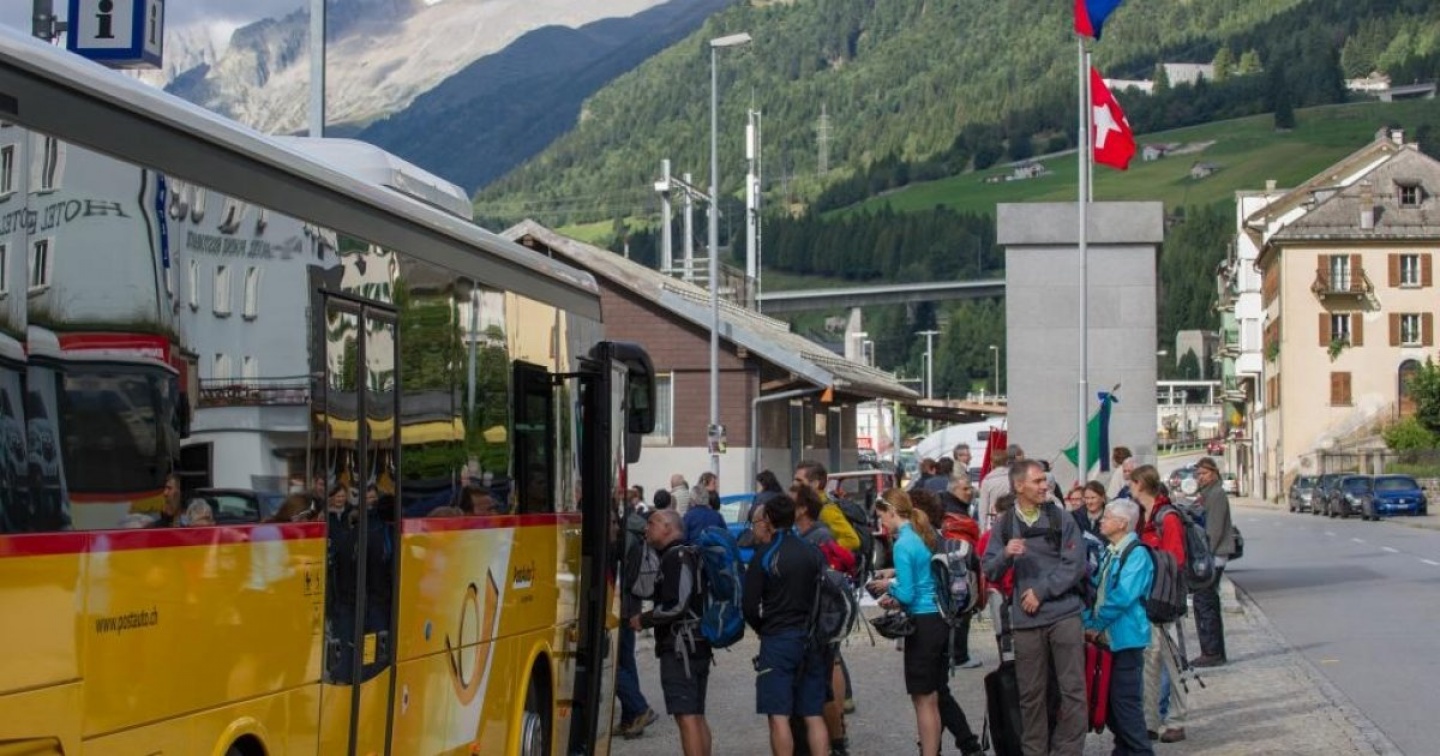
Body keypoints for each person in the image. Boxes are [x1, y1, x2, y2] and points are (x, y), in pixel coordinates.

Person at [980, 459, 1087, 756]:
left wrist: (1041, 591)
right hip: (1026, 622)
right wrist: (1005, 554)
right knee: (1030, 695)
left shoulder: (1061, 518)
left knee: (1073, 691)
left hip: (1064, 614)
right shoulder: (1005, 524)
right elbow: (989, 569)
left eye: (1044, 480)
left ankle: (1067, 751)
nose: (1045, 485)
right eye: (1038, 481)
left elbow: (1075, 565)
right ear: (1019, 485)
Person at [744, 497, 831, 756]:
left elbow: (749, 606)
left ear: (768, 520)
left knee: (778, 714)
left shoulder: (765, 554)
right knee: (813, 714)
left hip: (778, 638)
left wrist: (762, 628)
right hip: (811, 637)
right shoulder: (812, 551)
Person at [867, 490, 948, 756]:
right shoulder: (921, 534)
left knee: (922, 700)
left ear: (892, 512)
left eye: (882, 517)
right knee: (933, 697)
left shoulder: (902, 543)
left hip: (921, 622)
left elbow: (907, 593)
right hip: (937, 617)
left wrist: (889, 590)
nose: (882, 524)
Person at [905, 490, 985, 755]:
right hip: (947, 619)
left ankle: (962, 745)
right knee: (938, 690)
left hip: (929, 620)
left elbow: (917, 583)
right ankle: (963, 745)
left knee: (931, 693)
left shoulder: (921, 540)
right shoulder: (939, 537)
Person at [1083, 498, 1155, 756]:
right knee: (1111, 705)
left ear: (1122, 523)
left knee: (1125, 705)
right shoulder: (1110, 551)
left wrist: (1095, 624)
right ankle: (1124, 750)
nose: (1102, 521)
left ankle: (1140, 751)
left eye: (1107, 517)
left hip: (1126, 640)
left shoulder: (1137, 554)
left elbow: (1122, 596)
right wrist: (1086, 620)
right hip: (1108, 639)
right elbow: (1095, 590)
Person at [636, 508, 712, 756]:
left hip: (681, 648)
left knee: (686, 717)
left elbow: (677, 605)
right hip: (697, 642)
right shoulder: (689, 554)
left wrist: (644, 619)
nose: (646, 528)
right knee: (696, 715)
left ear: (668, 527)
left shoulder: (675, 557)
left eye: (652, 523)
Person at [792, 483, 854, 751]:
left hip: (820, 620)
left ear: (803, 509)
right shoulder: (810, 535)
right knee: (825, 679)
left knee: (824, 681)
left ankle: (836, 737)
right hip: (821, 618)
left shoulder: (817, 537)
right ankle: (836, 735)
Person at [1131, 464, 1189, 743]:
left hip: (1165, 599)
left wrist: (1150, 565)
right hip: (1146, 598)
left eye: (1131, 483)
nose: (1129, 488)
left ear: (1141, 484)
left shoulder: (1167, 517)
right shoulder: (1143, 516)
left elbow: (1176, 559)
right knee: (1150, 660)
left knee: (1172, 661)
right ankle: (1150, 721)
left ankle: (1177, 719)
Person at [617, 494, 658, 739]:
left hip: (619, 607)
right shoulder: (635, 530)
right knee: (626, 661)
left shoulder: (623, 534)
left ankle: (640, 709)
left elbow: (620, 575)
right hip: (631, 604)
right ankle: (630, 718)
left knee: (614, 665)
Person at [1190, 456, 1235, 668]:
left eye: (1205, 473)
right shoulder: (1207, 493)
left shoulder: (1216, 494)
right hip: (1212, 554)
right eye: (1198, 474)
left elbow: (1214, 529)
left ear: (1214, 474)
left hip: (1213, 555)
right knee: (1206, 601)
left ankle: (1212, 651)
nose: (1201, 477)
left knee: (1205, 601)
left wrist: (1205, 554)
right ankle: (1212, 650)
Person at [794, 460, 860, 553]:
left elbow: (852, 540)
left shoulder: (827, 509)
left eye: (799, 481)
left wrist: (823, 551)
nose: (794, 484)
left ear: (815, 484)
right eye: (794, 480)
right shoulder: (806, 505)